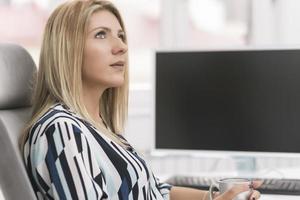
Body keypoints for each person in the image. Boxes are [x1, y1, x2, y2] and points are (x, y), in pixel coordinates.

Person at [21, 0, 262, 199]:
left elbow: (154, 191)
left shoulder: (98, 127)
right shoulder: (61, 130)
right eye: (101, 35)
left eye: (121, 35)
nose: (121, 47)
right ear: (68, 48)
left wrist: (214, 197)